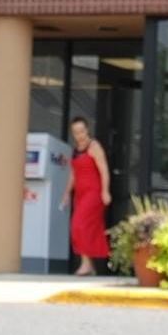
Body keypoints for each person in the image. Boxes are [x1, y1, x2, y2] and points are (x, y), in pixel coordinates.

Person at [66, 116, 112, 275]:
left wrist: (105, 191)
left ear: (87, 130)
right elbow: (73, 174)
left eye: (82, 131)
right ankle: (88, 265)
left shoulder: (94, 146)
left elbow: (104, 170)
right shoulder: (75, 150)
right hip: (80, 194)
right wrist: (66, 193)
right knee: (80, 227)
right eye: (76, 132)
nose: (79, 135)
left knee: (80, 224)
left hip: (93, 192)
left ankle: (86, 264)